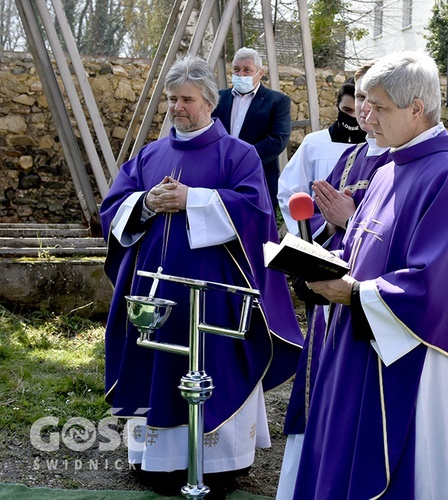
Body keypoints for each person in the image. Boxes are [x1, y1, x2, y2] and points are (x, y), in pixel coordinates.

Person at [293, 51, 448, 499]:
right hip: (362, 338)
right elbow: (357, 246)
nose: (366, 117)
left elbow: (440, 284)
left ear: (416, 109)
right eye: (366, 105)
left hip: (417, 355)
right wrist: (316, 265)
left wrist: (354, 292)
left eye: (379, 108)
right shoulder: (390, 167)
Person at [100, 55, 303, 494]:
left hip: (216, 294)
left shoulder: (239, 154)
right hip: (154, 291)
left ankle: (219, 465)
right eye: (172, 99)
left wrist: (194, 199)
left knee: (212, 366)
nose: (177, 107)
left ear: (210, 102)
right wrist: (145, 205)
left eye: (187, 99)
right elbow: (113, 209)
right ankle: (154, 461)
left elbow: (255, 213)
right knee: (158, 365)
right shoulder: (150, 155)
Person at [275, 62, 391, 499]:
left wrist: (351, 220)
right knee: (318, 392)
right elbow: (317, 221)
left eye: (372, 100)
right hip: (332, 305)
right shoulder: (349, 158)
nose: (363, 110)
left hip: (374, 311)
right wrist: (312, 243)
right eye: (359, 100)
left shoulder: (414, 165)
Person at [277, 79, 367, 235]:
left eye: (357, 111)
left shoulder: (378, 147)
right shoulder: (314, 143)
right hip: (323, 238)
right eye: (347, 110)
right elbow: (290, 191)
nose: (353, 117)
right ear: (336, 104)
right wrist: (323, 227)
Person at [212, 47, 292, 207]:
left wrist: (241, 159)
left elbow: (278, 139)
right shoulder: (218, 98)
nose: (240, 75)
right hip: (219, 177)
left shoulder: (277, 101)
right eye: (236, 70)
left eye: (247, 70)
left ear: (260, 73)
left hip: (258, 177)